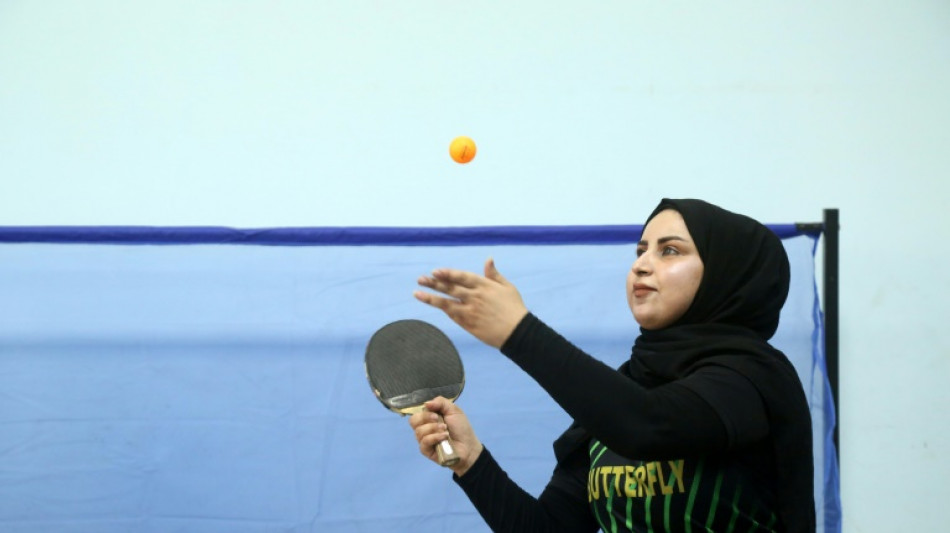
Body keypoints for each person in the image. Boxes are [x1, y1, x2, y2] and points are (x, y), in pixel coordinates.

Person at [410, 198, 815, 533]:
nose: (642, 264)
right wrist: (471, 461)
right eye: (640, 251)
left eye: (669, 250)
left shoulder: (753, 378)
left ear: (726, 273)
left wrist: (518, 332)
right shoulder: (621, 395)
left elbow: (649, 426)